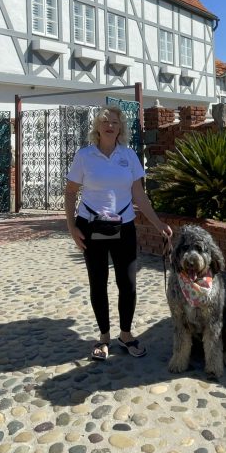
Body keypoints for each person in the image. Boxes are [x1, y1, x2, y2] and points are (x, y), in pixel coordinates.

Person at [64, 105, 172, 360]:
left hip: (124, 226)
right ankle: (103, 337)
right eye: (104, 121)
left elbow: (139, 195)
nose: (109, 125)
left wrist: (159, 225)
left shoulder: (129, 156)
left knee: (128, 284)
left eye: (114, 121)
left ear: (120, 127)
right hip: (91, 226)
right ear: (97, 127)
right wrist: (71, 227)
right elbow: (70, 193)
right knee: (98, 284)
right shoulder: (85, 155)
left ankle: (125, 334)